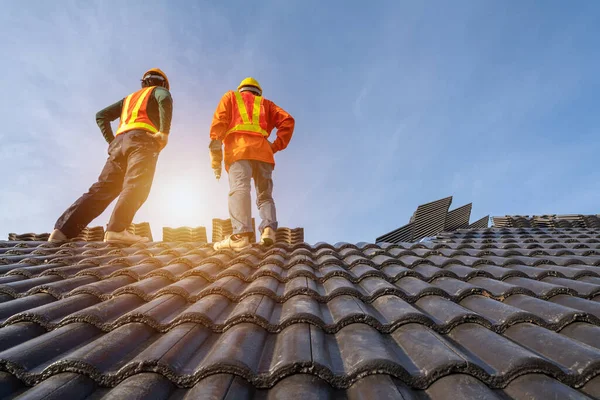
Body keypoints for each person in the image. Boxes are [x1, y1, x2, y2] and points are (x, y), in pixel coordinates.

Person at [48, 68, 173, 244]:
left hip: (120, 144)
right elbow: (165, 99)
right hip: (142, 141)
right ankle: (117, 230)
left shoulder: (129, 100)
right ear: (162, 83)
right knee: (137, 183)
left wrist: (112, 142)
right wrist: (164, 132)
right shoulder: (159, 91)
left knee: (103, 188)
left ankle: (62, 231)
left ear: (144, 82)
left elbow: (101, 116)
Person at [209, 77, 295, 251]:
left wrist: (215, 153)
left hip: (239, 150)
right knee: (265, 195)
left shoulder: (231, 97)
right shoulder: (267, 104)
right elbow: (288, 121)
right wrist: (275, 145)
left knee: (240, 188)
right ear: (258, 92)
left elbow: (220, 121)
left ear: (241, 89)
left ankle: (241, 235)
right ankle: (269, 230)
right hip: (263, 153)